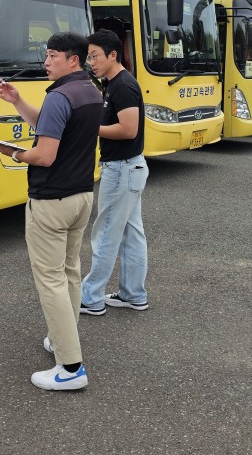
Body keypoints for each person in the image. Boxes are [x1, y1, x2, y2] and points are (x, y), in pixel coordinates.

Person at [0, 32, 102, 391]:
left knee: (51, 281)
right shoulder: (89, 91)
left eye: (52, 55)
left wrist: (12, 152)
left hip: (51, 200)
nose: (46, 61)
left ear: (73, 59)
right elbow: (54, 126)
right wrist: (18, 102)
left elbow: (45, 154)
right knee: (70, 273)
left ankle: (70, 367)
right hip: (82, 197)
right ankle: (61, 339)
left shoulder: (59, 96)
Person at [79, 29, 149, 316]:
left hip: (121, 169)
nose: (91, 62)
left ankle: (91, 297)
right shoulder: (113, 83)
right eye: (89, 56)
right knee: (131, 234)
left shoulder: (122, 86)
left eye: (95, 56)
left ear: (113, 55)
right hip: (130, 167)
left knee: (106, 233)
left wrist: (89, 129)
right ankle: (133, 295)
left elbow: (128, 128)